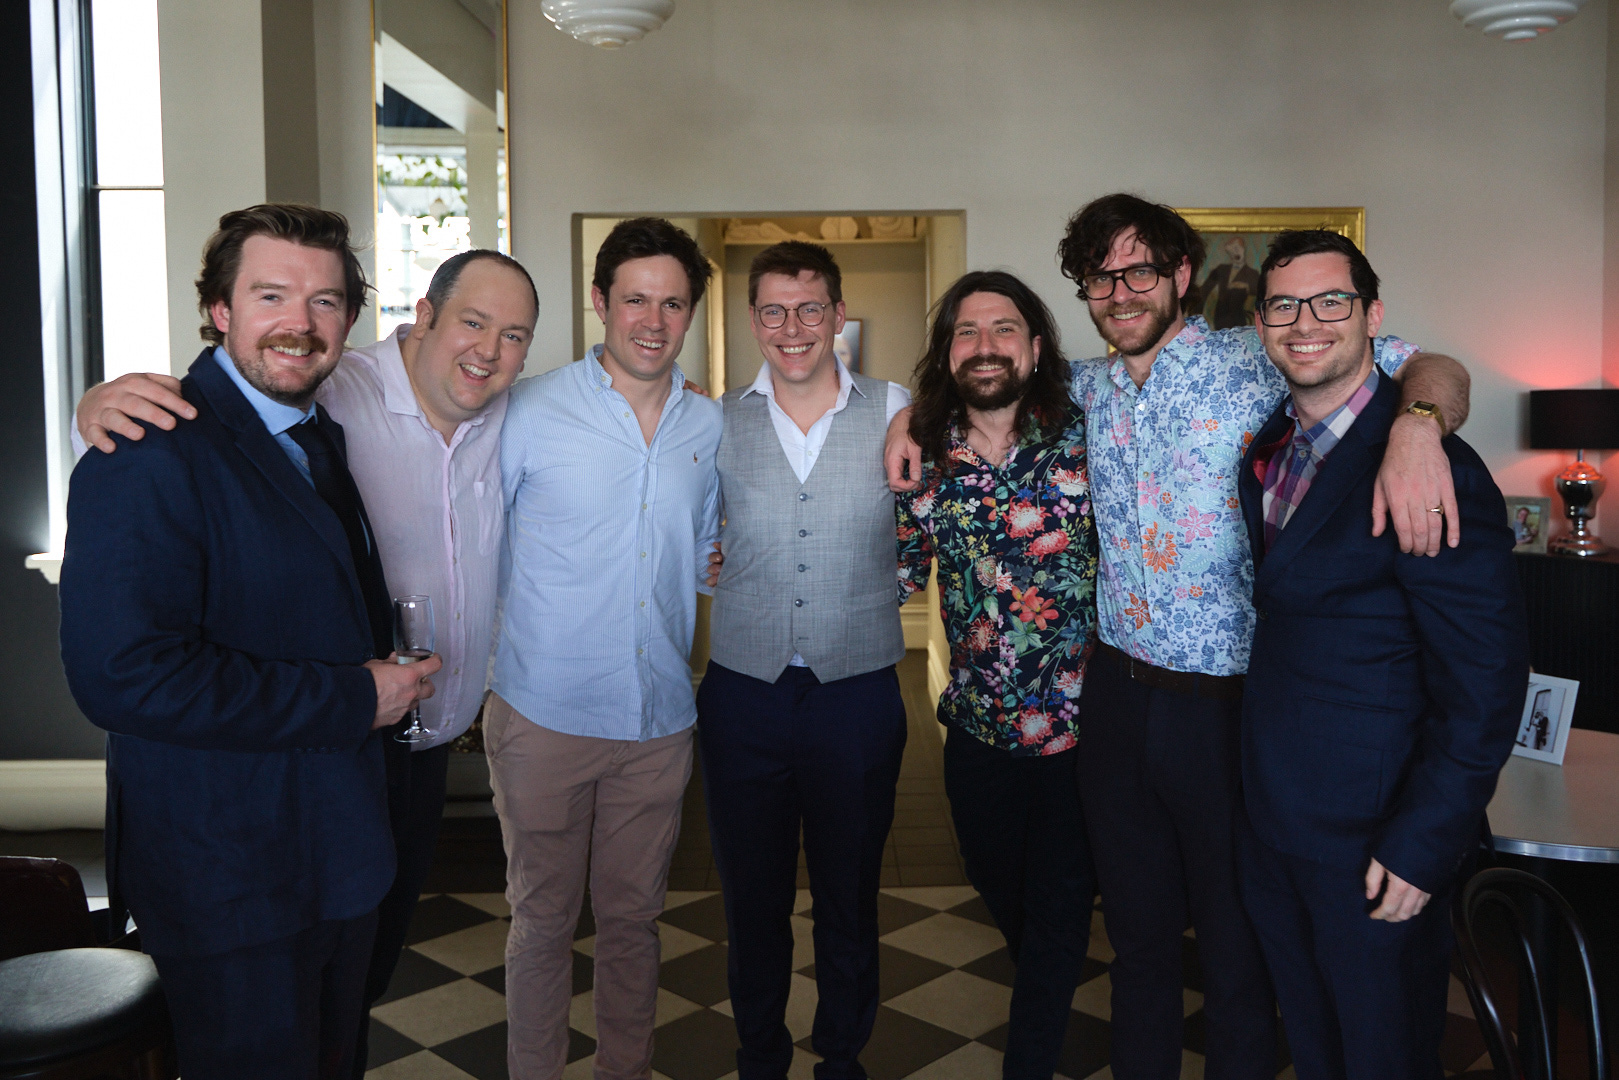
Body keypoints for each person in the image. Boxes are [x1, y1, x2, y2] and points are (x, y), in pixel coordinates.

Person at [885, 193, 1472, 1080]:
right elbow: (976, 389)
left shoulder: (1257, 356)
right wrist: (906, 418)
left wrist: (1419, 428)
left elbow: (1430, 365)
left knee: (1234, 951)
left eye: (1139, 271)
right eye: (1100, 278)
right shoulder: (1080, 390)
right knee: (1138, 944)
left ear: (1181, 275)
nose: (1120, 292)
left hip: (1227, 708)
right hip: (1115, 704)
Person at [73, 246, 544, 1077]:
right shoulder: (174, 435)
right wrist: (95, 400)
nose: (299, 322)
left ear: (349, 316)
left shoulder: (328, 427)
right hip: (235, 839)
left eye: (324, 300)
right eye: (271, 295)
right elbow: (124, 673)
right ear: (219, 308)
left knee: (341, 1020)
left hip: (383, 778)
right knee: (258, 1043)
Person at [1236, 230, 1527, 1080]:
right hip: (1275, 823)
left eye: (1330, 301)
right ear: (1260, 324)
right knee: (1315, 1047)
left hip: (1376, 839)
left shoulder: (1431, 468)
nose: (1305, 323)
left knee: (1382, 1056)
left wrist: (1422, 844)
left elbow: (1484, 684)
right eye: (1283, 305)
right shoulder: (1268, 452)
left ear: (1372, 317)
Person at [489, 217, 722, 1080]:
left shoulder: (707, 425)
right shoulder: (528, 411)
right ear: (599, 301)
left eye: (672, 304)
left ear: (690, 313)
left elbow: (706, 552)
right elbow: (469, 535)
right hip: (543, 716)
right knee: (542, 923)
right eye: (635, 300)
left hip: (658, 720)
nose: (652, 322)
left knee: (633, 924)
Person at [698, 240, 911, 1080]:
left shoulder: (897, 406)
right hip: (742, 695)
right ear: (753, 320)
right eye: (774, 311)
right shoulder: (715, 420)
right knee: (751, 902)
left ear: (837, 314)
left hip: (854, 694)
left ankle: (841, 1058)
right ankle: (760, 1056)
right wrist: (708, 561)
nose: (792, 328)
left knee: (848, 897)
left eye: (809, 308)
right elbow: (686, 534)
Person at [894, 271, 1097, 1080]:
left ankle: (1030, 1058)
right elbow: (893, 573)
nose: (985, 346)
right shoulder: (923, 456)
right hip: (977, 728)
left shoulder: (1089, 433)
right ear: (946, 353)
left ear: (1035, 345)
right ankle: (1044, 985)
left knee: (1060, 903)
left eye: (1003, 328)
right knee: (994, 881)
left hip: (1082, 732)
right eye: (966, 332)